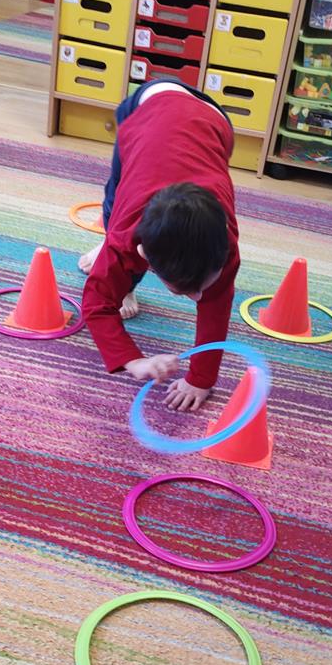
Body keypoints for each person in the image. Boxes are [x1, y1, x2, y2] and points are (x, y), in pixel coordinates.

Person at [79, 77, 239, 413]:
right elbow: (96, 303)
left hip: (213, 123)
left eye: (199, 287)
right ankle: (116, 267)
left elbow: (216, 306)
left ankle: (115, 266)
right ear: (144, 257)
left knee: (207, 288)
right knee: (113, 207)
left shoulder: (224, 246)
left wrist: (201, 379)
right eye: (186, 291)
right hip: (144, 110)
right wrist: (132, 360)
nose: (198, 297)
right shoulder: (127, 240)